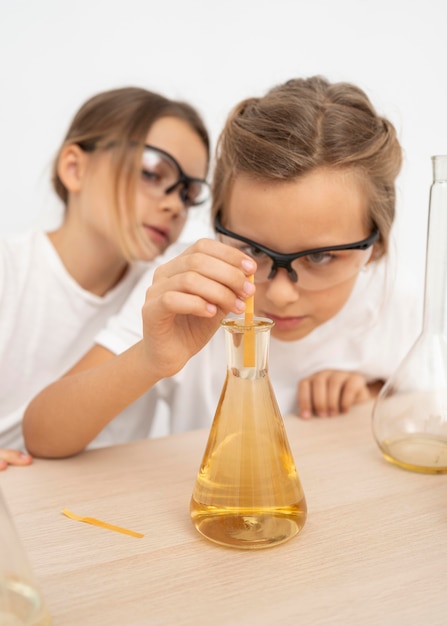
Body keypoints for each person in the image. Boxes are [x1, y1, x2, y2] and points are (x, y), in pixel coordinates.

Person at [23, 75, 421, 459]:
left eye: (320, 257)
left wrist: (372, 393)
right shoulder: (188, 291)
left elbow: (423, 418)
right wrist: (150, 358)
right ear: (216, 229)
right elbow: (42, 434)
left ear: (377, 246)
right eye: (252, 249)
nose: (281, 295)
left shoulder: (396, 308)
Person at [0, 86, 210, 469]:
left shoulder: (164, 294)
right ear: (74, 168)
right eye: (151, 173)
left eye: (188, 192)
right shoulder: (10, 271)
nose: (174, 205)